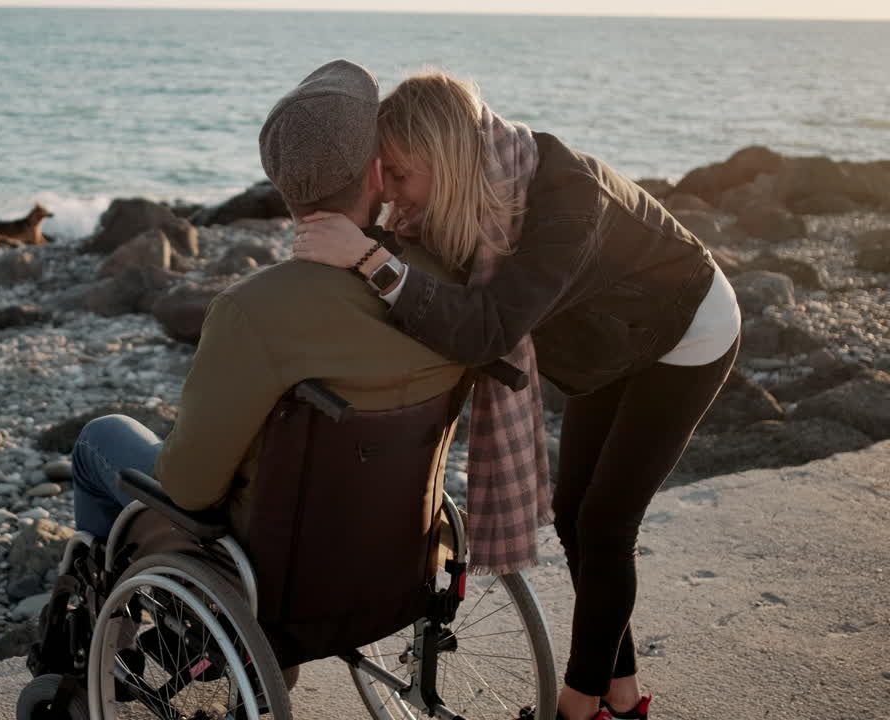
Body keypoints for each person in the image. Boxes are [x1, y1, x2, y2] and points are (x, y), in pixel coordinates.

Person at [293, 69, 741, 720]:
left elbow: (488, 327)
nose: (390, 192)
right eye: (380, 174)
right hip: (613, 341)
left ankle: (577, 706)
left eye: (399, 176)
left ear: (444, 162)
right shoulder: (481, 186)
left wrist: (368, 258)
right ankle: (620, 694)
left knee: (605, 523)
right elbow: (433, 277)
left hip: (686, 329)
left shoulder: (566, 200)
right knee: (572, 513)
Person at [71, 59, 468, 553]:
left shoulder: (251, 310)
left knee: (100, 438)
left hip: (280, 569)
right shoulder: (446, 283)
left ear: (282, 187)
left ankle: (94, 615)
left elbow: (190, 488)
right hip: (396, 551)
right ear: (376, 173)